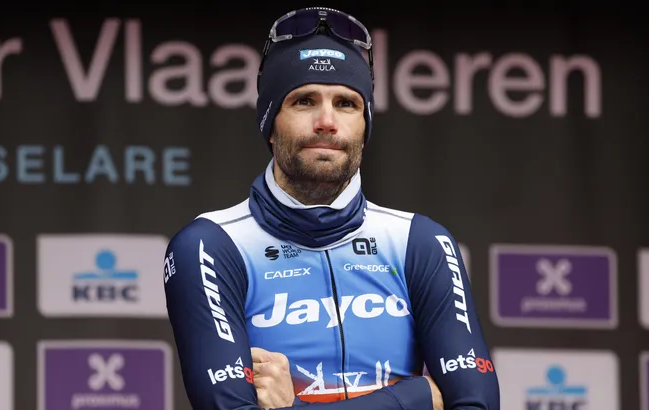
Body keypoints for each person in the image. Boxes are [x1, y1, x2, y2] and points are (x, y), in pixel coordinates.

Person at [163, 6, 500, 410]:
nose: (326, 121)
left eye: (346, 103)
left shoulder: (421, 242)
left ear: (365, 126)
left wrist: (294, 408)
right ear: (271, 125)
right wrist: (413, 398)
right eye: (304, 101)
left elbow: (477, 404)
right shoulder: (210, 246)